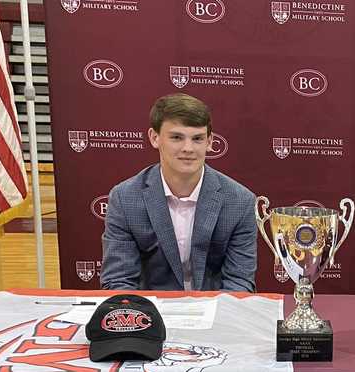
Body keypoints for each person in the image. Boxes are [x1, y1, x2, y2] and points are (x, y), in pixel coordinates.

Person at [101, 94, 256, 292]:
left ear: (210, 141)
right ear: (154, 138)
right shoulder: (125, 198)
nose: (188, 148)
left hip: (217, 312)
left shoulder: (240, 201)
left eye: (197, 139)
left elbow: (239, 282)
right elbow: (118, 281)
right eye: (176, 137)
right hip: (151, 314)